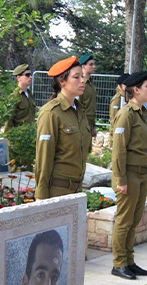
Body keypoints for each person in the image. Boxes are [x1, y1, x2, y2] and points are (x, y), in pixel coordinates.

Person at [110, 71, 147, 280]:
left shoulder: (143, 113)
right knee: (124, 220)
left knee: (134, 220)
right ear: (136, 89)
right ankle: (119, 263)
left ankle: (129, 260)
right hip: (129, 174)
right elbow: (118, 149)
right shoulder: (126, 114)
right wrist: (120, 180)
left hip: (141, 173)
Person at [34, 56, 92, 199]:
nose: (82, 81)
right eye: (76, 77)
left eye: (82, 76)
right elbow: (44, 156)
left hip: (76, 189)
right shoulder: (51, 112)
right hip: (57, 191)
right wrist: (41, 195)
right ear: (62, 81)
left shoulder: (79, 111)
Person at [4, 64, 36, 132]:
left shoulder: (30, 94)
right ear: (19, 78)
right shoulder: (15, 96)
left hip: (30, 133)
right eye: (27, 75)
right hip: (19, 135)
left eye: (31, 74)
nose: (30, 77)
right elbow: (8, 119)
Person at [78, 53, 97, 137]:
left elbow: (91, 107)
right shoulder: (80, 83)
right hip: (81, 124)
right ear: (83, 66)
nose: (94, 67)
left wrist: (93, 126)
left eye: (94, 64)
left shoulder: (90, 83)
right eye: (91, 64)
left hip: (89, 123)